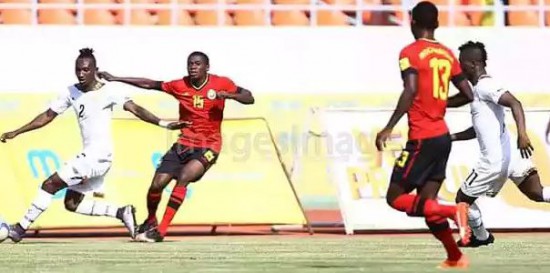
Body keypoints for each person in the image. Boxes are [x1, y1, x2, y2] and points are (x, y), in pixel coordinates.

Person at [0, 48, 188, 243]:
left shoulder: (109, 91)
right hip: (90, 156)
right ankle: (121, 212)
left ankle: (20, 228)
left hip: (98, 156)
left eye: (86, 70)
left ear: (95, 70)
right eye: (78, 70)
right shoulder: (71, 92)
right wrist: (17, 131)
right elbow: (47, 116)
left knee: (50, 184)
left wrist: (163, 123)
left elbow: (136, 109)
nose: (81, 74)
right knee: (71, 204)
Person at [98, 51, 255, 242]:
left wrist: (230, 95)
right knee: (157, 185)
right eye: (190, 64)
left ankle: (161, 231)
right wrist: (116, 78)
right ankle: (151, 219)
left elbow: (249, 97)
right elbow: (151, 84)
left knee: (184, 177)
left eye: (197, 64)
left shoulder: (221, 83)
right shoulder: (180, 85)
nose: (193, 67)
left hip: (209, 146)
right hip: (183, 144)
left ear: (207, 67)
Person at [374, 1, 475, 269]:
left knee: (395, 197)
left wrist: (389, 125)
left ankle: (454, 211)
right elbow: (468, 94)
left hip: (422, 137)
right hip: (442, 137)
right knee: (426, 205)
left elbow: (410, 88)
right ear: (437, 24)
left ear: (412, 22)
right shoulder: (447, 54)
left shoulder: (410, 52)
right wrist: (442, 104)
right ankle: (455, 257)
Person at [450, 41, 550, 247]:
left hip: (494, 161)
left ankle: (481, 236)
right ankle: (481, 235)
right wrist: (452, 137)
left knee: (462, 198)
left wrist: (522, 134)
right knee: (537, 193)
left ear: (474, 64)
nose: (459, 68)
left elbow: (515, 103)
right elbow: (480, 129)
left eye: (462, 63)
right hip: (511, 156)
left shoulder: (486, 85)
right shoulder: (477, 90)